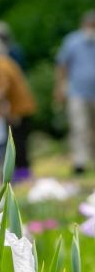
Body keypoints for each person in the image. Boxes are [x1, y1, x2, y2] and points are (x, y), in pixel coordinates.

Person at [0, 33, 37, 182]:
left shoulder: (1, 65)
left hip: (17, 110)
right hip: (16, 110)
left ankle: (21, 174)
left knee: (17, 142)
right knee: (16, 141)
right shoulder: (2, 63)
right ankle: (19, 172)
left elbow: (2, 90)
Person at [56, 10, 95, 175]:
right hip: (77, 92)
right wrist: (59, 87)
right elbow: (62, 65)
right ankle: (80, 162)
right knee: (79, 127)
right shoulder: (72, 41)